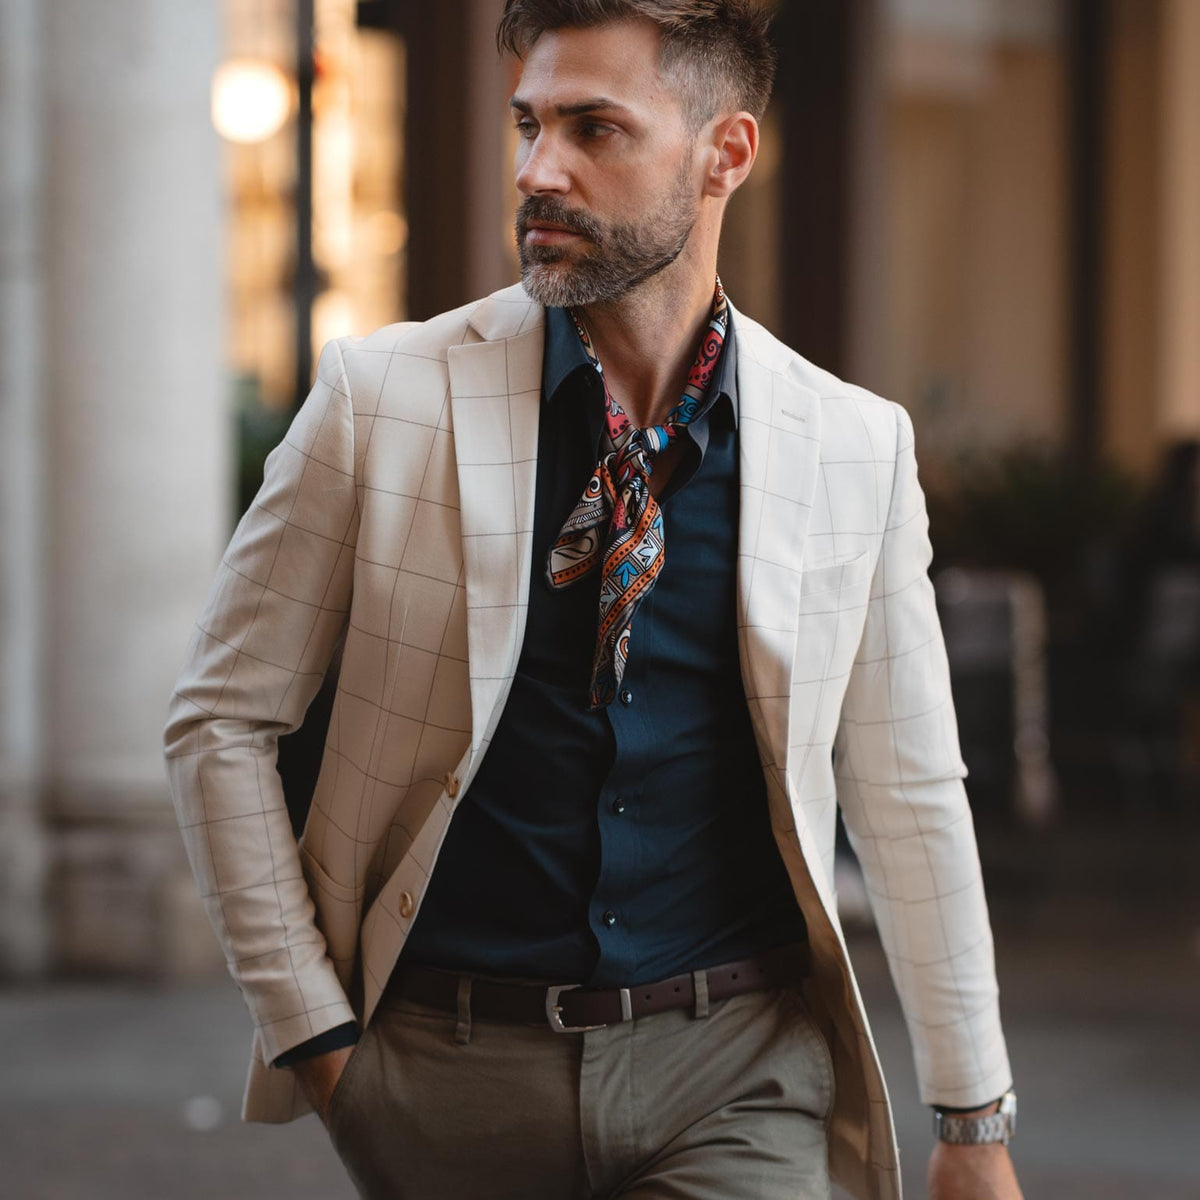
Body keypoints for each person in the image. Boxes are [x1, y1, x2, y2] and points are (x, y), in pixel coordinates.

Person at [164, 3, 1022, 1197]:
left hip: (737, 1068)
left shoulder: (852, 446)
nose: (537, 170)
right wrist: (319, 1042)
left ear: (724, 153)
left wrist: (973, 1118)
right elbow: (220, 721)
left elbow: (909, 786)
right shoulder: (383, 401)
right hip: (447, 1077)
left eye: (593, 129)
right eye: (527, 125)